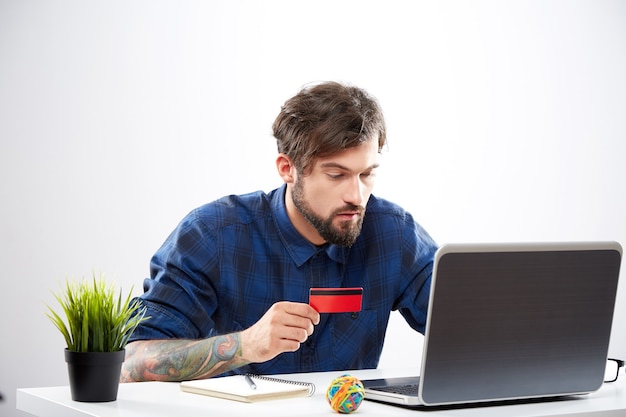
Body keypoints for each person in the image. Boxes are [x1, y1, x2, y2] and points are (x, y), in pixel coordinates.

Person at [120, 81, 437, 383]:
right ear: (287, 168)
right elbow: (132, 362)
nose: (356, 195)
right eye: (336, 174)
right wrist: (246, 345)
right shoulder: (213, 235)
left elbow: (469, 327)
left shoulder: (393, 233)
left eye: (366, 174)